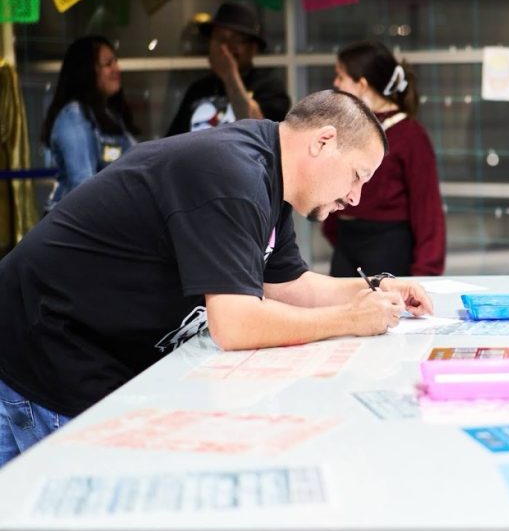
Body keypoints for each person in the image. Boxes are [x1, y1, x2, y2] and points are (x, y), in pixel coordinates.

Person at [0, 90, 433, 477]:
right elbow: (236, 323)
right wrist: (350, 319)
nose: (356, 197)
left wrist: (374, 289)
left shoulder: (271, 178)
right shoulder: (231, 174)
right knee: (69, 530)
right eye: (357, 175)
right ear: (323, 142)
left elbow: (286, 285)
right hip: (42, 347)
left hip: (88, 349)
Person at [322, 40, 445, 277]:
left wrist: (426, 272)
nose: (335, 84)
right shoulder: (347, 127)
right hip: (346, 244)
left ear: (361, 84)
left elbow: (427, 208)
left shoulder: (410, 134)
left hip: (388, 247)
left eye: (340, 76)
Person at [40, 35, 136, 212]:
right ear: (86, 71)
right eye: (108, 64)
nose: (117, 68)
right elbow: (83, 186)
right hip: (74, 227)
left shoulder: (110, 114)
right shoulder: (74, 116)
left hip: (102, 221)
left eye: (116, 61)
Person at [165, 1, 290, 135]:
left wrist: (230, 76)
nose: (225, 48)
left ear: (253, 49)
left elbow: (258, 131)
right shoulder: (198, 90)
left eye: (236, 40)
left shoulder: (269, 88)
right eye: (220, 39)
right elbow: (173, 140)